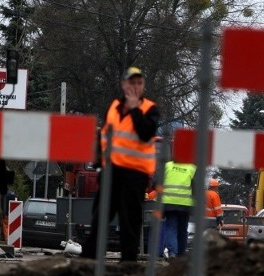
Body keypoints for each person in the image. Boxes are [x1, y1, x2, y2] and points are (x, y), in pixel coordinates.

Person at [81, 66, 160, 262]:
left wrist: (134, 109)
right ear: (123, 85)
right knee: (100, 216)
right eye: (131, 82)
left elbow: (145, 133)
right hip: (111, 171)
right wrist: (99, 165)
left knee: (129, 219)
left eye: (139, 83)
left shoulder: (150, 109)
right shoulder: (114, 106)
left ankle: (128, 262)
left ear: (143, 86)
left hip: (135, 173)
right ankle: (89, 258)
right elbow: (104, 136)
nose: (135, 86)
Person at [162, 161, 196, 257]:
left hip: (169, 202)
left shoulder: (167, 166)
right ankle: (181, 254)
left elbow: (157, 182)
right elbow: (196, 187)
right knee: (183, 230)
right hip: (185, 204)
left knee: (171, 228)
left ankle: (172, 253)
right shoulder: (192, 167)